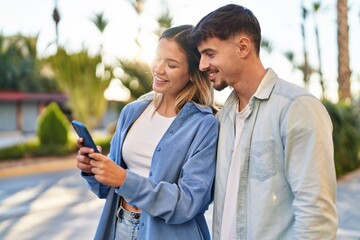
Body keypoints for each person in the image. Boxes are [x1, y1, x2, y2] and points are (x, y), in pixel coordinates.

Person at [189, 4, 338, 240]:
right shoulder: (224, 116)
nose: (202, 65)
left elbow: (315, 212)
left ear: (243, 47)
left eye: (210, 53)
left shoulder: (296, 107)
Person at [75, 25, 218, 240]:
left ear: (191, 73)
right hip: (120, 226)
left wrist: (124, 179)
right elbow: (108, 189)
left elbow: (188, 203)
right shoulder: (132, 112)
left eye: (171, 64)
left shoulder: (204, 125)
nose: (159, 69)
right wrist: (93, 169)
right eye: (158, 58)